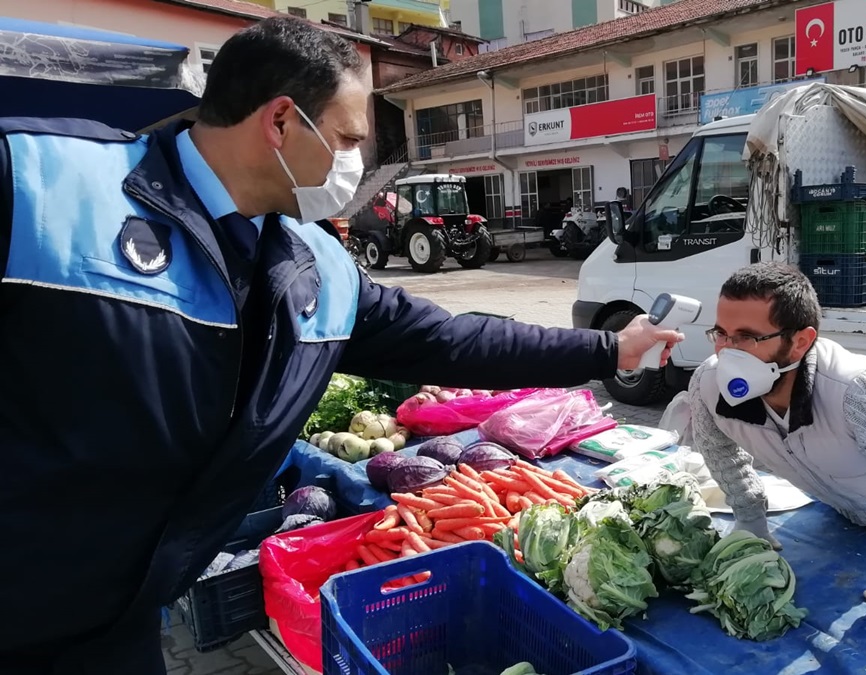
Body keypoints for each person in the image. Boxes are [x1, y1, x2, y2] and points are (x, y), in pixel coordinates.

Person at [0, 17, 682, 675]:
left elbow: (451, 341)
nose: (357, 161)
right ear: (280, 121)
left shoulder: (315, 267)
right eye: (349, 138)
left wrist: (606, 349)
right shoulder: (41, 183)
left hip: (121, 625)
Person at [684, 262, 866, 639]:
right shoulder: (709, 385)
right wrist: (748, 516)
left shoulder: (858, 393)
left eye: (747, 338)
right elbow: (717, 448)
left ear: (801, 341)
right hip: (840, 506)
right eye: (721, 334)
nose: (727, 353)